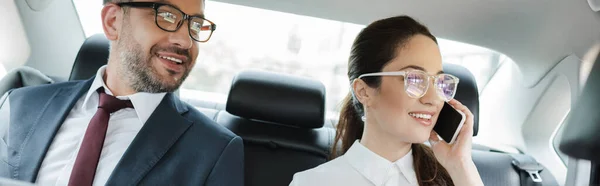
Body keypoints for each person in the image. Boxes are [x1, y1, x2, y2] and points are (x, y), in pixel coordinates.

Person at [0, 0, 243, 185]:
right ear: (113, 21)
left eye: (195, 25)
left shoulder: (212, 151)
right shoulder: (18, 106)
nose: (186, 41)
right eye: (167, 16)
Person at [289, 15, 484, 186]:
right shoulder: (311, 183)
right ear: (364, 91)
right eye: (415, 79)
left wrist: (461, 166)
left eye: (440, 82)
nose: (433, 99)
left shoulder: (456, 178)